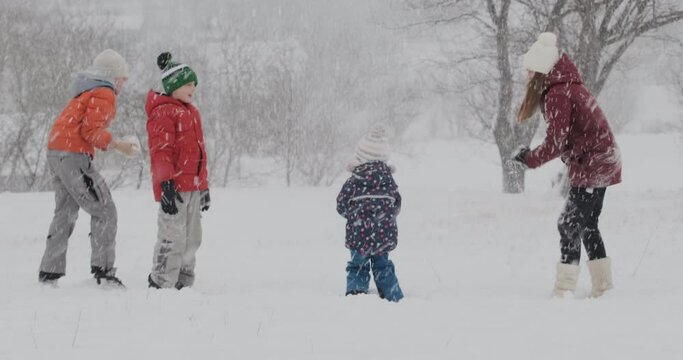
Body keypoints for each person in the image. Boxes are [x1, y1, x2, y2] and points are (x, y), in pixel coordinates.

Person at [512, 33, 622, 298]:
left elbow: (555, 142)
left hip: (594, 163)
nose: (527, 74)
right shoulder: (565, 85)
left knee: (569, 224)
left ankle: (564, 291)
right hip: (603, 159)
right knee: (586, 225)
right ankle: (603, 288)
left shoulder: (558, 92)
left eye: (529, 69)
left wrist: (529, 158)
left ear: (540, 70)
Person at [39, 49, 138, 287]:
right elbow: (90, 131)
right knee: (105, 209)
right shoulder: (104, 93)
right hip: (73, 155)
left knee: (65, 212)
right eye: (122, 76)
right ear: (112, 76)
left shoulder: (85, 92)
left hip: (57, 151)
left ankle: (49, 273)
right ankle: (103, 272)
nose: (124, 81)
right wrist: (119, 145)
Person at [146, 52, 210, 290]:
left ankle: (183, 280)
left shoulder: (192, 113)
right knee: (172, 236)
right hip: (173, 188)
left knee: (192, 237)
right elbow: (161, 150)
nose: (193, 88)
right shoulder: (164, 112)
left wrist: (203, 186)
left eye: (194, 84)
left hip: (192, 186)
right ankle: (161, 280)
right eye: (188, 84)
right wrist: (166, 184)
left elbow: (199, 154)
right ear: (173, 86)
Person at [336, 124, 404, 302]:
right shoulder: (389, 182)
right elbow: (397, 204)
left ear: (360, 157)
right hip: (383, 234)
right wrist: (385, 218)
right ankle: (393, 295)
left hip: (359, 234)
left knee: (358, 266)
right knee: (383, 266)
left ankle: (356, 296)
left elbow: (341, 204)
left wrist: (354, 216)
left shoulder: (354, 181)